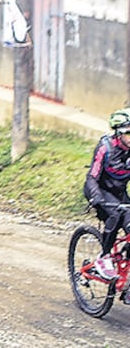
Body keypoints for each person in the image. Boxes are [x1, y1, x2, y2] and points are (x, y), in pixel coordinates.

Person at [85, 108, 130, 280]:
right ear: (119, 133)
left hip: (120, 193)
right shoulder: (106, 147)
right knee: (116, 214)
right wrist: (96, 198)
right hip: (100, 190)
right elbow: (92, 177)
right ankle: (104, 257)